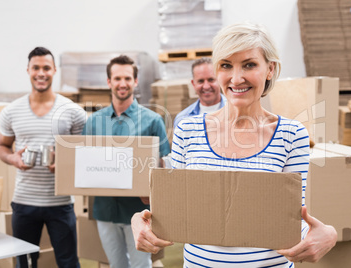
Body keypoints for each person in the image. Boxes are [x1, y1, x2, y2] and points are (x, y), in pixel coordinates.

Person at [131, 22, 337, 267]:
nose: (236, 78)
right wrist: (137, 220)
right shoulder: (188, 130)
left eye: (249, 64)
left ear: (270, 69)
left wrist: (329, 234)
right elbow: (176, 208)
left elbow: (294, 217)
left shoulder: (291, 135)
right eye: (226, 65)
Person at [0, 47, 86, 268]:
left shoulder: (72, 111)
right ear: (28, 70)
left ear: (54, 70)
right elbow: (2, 146)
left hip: (61, 203)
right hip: (24, 203)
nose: (41, 73)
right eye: (36, 68)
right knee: (25, 264)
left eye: (46, 68)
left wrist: (64, 163)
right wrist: (13, 160)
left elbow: (85, 154)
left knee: (68, 262)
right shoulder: (11, 111)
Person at [82, 55, 171, 268]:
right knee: (116, 265)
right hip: (105, 210)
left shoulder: (152, 120)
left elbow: (166, 166)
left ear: (135, 81)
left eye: (128, 78)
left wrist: (151, 191)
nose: (123, 84)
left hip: (138, 211)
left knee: (141, 265)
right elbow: (84, 162)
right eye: (117, 78)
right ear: (109, 82)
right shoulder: (94, 122)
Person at [173, 57, 226, 129]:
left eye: (211, 80)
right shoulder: (182, 119)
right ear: (193, 84)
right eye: (200, 81)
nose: (206, 86)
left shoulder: (236, 111)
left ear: (219, 79)